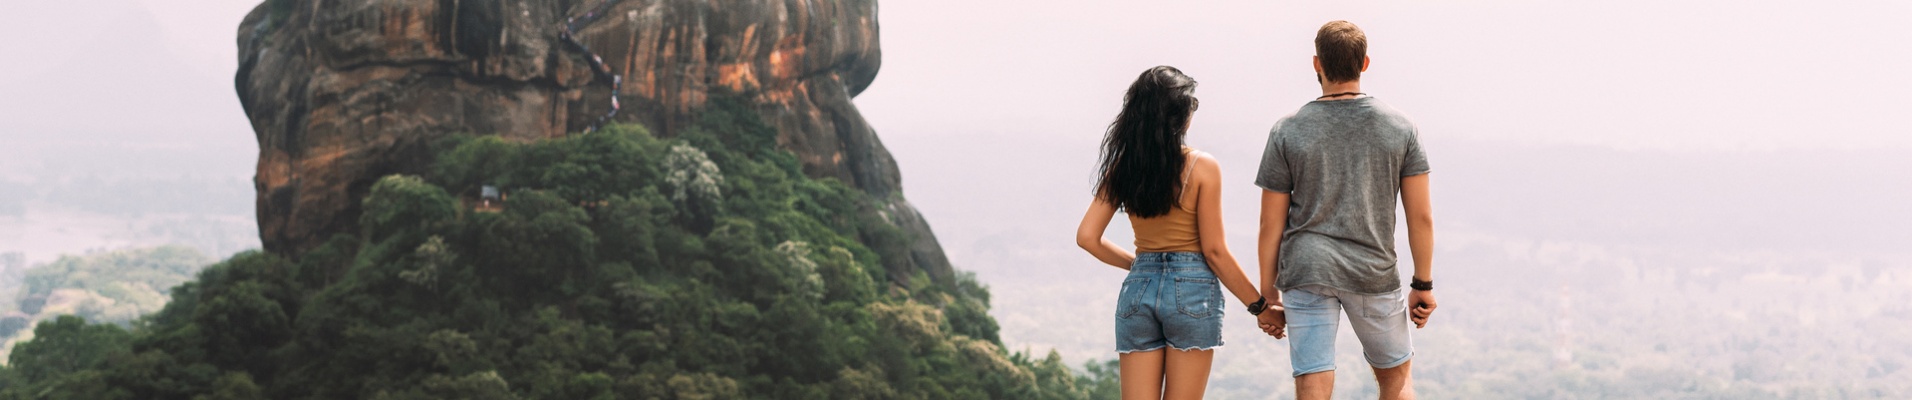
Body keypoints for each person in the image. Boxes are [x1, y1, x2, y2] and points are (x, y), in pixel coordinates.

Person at [1253, 21, 1439, 400]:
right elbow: (1420, 217)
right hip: (1373, 269)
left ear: (1317, 63)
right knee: (1396, 379)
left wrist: (1267, 292)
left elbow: (1269, 224)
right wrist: (1423, 283)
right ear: (1364, 63)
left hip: (1307, 268)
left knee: (1312, 378)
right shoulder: (1400, 127)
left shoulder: (1287, 131)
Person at [1076, 65, 1274, 400]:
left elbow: (1087, 238)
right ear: (1178, 115)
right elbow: (1215, 252)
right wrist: (1259, 306)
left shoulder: (1122, 168)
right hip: (1191, 291)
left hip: (1138, 290)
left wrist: (1139, 266)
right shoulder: (1202, 167)